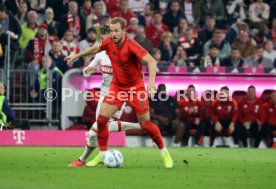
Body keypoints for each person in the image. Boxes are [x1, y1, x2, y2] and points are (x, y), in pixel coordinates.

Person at [65, 17, 173, 168]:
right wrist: (76, 55)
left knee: (146, 124)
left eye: (116, 31)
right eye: (111, 31)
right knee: (102, 121)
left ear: (123, 31)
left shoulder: (131, 45)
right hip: (117, 87)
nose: (113, 34)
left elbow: (151, 61)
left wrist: (151, 83)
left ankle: (164, 152)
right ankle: (102, 155)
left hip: (135, 88)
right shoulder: (108, 43)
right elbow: (96, 48)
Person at [68, 25, 142, 167]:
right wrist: (88, 70)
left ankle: (82, 160)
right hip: (103, 96)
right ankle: (140, 126)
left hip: (119, 95)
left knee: (94, 132)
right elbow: (87, 70)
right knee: (101, 129)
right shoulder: (100, 54)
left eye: (106, 36)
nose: (103, 39)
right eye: (101, 37)